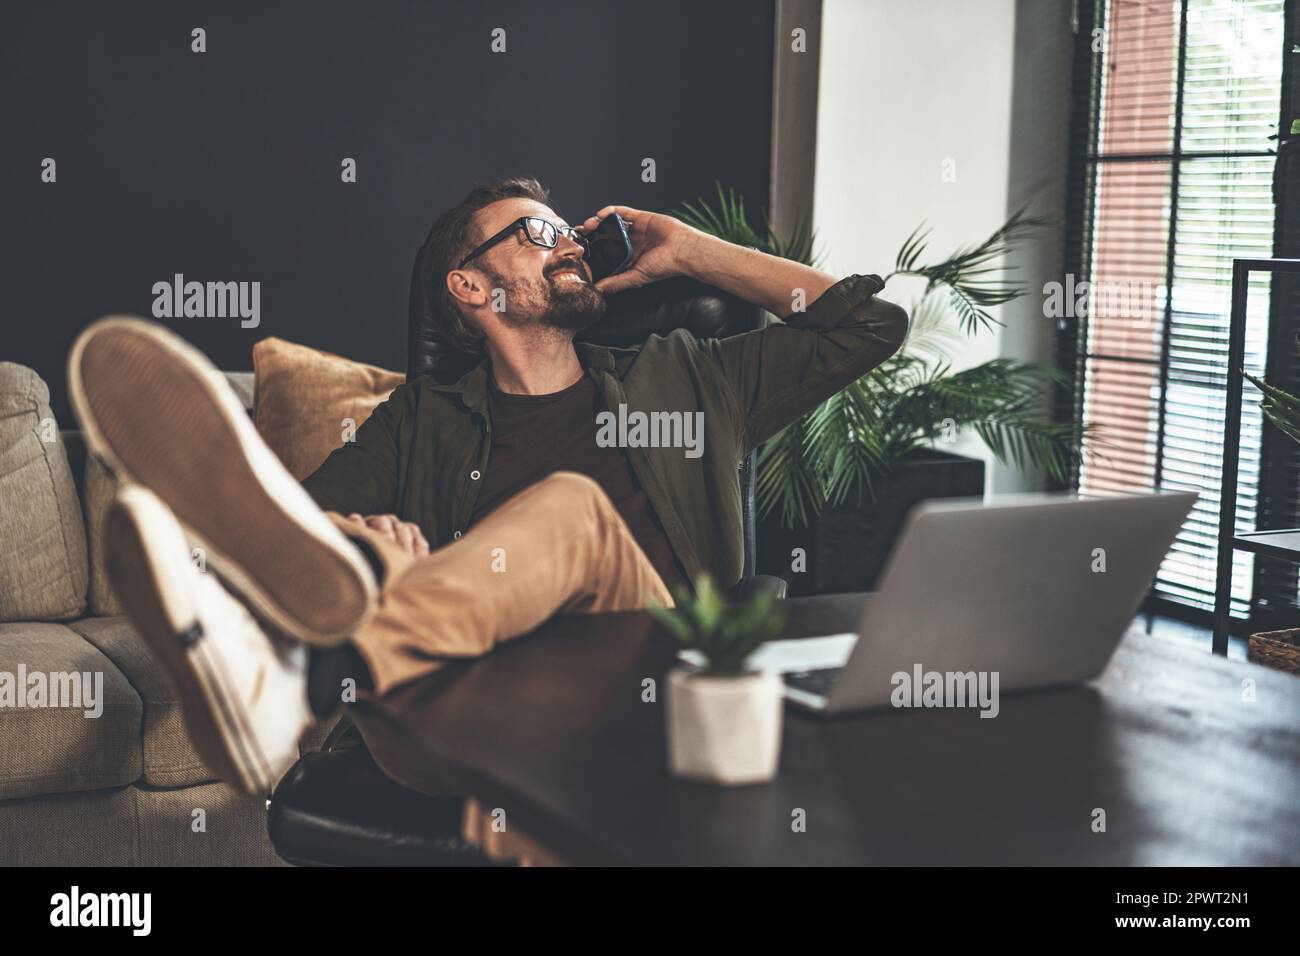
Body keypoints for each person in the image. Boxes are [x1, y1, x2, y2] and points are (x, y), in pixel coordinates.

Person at [69, 177, 907, 794]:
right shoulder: (419, 419)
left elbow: (871, 325)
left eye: (568, 233)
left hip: (649, 702)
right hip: (454, 723)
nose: (570, 243)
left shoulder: (685, 378)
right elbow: (299, 534)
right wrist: (367, 552)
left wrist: (688, 248)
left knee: (573, 512)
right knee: (354, 554)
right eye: (538, 235)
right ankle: (298, 655)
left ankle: (297, 679)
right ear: (470, 288)